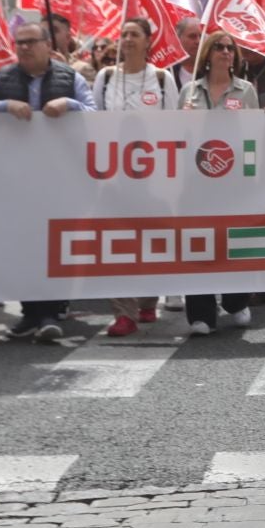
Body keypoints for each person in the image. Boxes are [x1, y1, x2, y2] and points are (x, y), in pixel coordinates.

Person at [0, 18, 96, 342]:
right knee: (20, 245)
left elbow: (95, 114)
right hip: (12, 179)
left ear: (48, 45)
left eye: (31, 42)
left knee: (52, 245)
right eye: (20, 43)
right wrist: (4, 105)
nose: (25, 48)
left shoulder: (70, 78)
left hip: (58, 179)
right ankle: (30, 312)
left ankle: (50, 310)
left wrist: (69, 104)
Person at [94, 18, 179, 337]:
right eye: (123, 34)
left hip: (154, 174)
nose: (127, 39)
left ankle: (147, 299)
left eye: (134, 35)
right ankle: (123, 312)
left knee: (152, 239)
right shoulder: (105, 78)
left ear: (148, 42)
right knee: (117, 240)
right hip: (114, 174)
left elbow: (172, 126)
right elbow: (95, 123)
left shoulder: (161, 78)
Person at [179, 29, 258, 334]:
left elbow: (254, 137)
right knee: (198, 244)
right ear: (208, 54)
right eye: (220, 47)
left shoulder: (246, 91)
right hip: (196, 181)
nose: (226, 52)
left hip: (234, 181)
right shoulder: (189, 92)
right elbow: (176, 140)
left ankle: (236, 301)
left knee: (233, 241)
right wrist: (182, 123)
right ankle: (200, 313)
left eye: (230, 48)